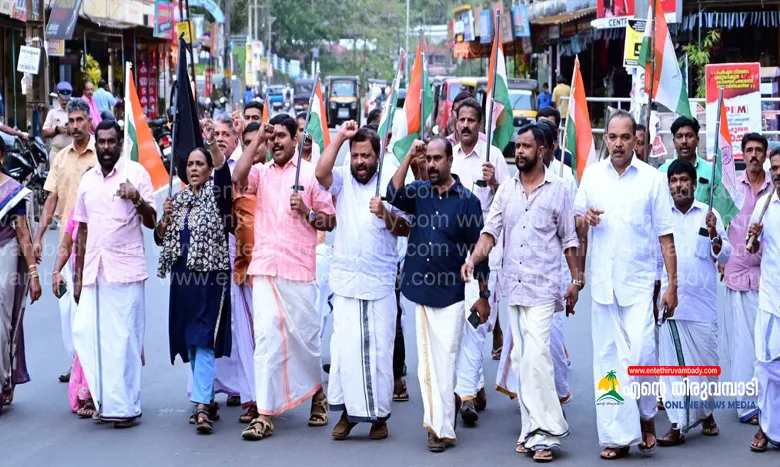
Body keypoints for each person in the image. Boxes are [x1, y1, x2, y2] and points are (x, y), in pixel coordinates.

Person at [574, 110, 678, 460]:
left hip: (639, 286)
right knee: (608, 364)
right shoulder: (592, 176)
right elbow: (576, 222)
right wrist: (585, 220)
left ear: (636, 140)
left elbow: (666, 236)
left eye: (625, 137)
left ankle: (646, 414)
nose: (618, 144)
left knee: (642, 355)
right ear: (605, 139)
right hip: (604, 288)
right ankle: (616, 436)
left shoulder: (652, 180)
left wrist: (672, 286)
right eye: (613, 137)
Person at [232, 114, 336, 441]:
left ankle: (317, 393)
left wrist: (307, 211)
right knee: (266, 341)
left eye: (281, 136)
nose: (276, 142)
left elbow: (329, 221)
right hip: (264, 268)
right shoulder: (260, 173)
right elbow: (237, 176)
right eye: (272, 136)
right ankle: (265, 414)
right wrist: (256, 141)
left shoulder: (310, 174)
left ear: (294, 139)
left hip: (298, 269)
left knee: (304, 340)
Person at [387, 136, 489, 452]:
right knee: (427, 365)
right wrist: (409, 157)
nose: (431, 164)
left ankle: (444, 416)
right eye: (428, 159)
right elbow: (391, 194)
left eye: (437, 159)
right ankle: (438, 428)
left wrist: (483, 295)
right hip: (419, 289)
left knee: (446, 361)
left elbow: (479, 250)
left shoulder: (468, 201)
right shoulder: (419, 192)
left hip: (451, 292)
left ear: (449, 161)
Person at [316, 121, 410, 440]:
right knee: (345, 352)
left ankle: (379, 417)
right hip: (346, 282)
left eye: (366, 155)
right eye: (355, 155)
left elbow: (406, 228)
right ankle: (348, 413)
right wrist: (340, 137)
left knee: (380, 353)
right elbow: (320, 174)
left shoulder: (391, 182)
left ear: (377, 156)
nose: (360, 161)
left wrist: (385, 213)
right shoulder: (343, 178)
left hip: (379, 282)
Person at [71, 120, 156, 429]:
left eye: (111, 141)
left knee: (126, 341)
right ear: (96, 144)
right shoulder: (87, 180)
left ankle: (126, 407)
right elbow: (81, 230)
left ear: (120, 143)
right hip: (95, 271)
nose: (106, 147)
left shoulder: (136, 174)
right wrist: (78, 276)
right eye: (102, 142)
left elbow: (153, 221)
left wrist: (136, 198)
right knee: (90, 335)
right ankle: (106, 400)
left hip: (127, 270)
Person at [156, 125, 232, 434]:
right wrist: (165, 218)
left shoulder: (218, 194)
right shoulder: (178, 199)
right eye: (190, 164)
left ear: (209, 169)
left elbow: (224, 170)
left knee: (204, 338)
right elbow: (160, 238)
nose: (194, 169)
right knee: (191, 340)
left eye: (200, 164)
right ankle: (207, 398)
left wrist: (212, 142)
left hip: (210, 279)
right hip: (183, 281)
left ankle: (201, 406)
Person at [656, 159, 730, 446]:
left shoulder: (708, 215)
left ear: (693, 183)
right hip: (672, 306)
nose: (678, 185)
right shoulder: (662, 217)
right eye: (674, 180)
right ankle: (677, 423)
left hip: (703, 307)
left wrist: (714, 236)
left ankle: (706, 413)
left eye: (684, 180)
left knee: (707, 368)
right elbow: (654, 258)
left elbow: (725, 255)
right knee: (674, 370)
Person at [450, 97, 510, 425]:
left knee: (476, 323)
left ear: (479, 124)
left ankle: (466, 397)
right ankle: (474, 385)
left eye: (472, 120)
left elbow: (511, 202)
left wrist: (495, 182)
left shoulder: (494, 157)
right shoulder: (448, 156)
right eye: (462, 119)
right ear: (455, 122)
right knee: (458, 325)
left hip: (486, 257)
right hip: (453, 256)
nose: (466, 125)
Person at [35, 97, 97, 383]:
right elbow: (51, 200)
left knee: (92, 307)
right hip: (67, 247)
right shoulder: (61, 159)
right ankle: (77, 362)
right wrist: (38, 237)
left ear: (89, 122)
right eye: (71, 121)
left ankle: (91, 363)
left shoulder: (101, 155)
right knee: (68, 309)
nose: (74, 126)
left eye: (79, 120)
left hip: (97, 246)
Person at [722, 133, 771, 425]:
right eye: (749, 150)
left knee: (767, 344)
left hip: (769, 278)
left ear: (765, 155)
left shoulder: (774, 190)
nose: (754, 155)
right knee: (741, 345)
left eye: (758, 150)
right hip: (738, 275)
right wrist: (719, 257)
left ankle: (769, 400)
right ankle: (747, 406)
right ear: (742, 154)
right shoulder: (731, 189)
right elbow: (718, 224)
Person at [0, 137, 42, 413]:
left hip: (5, 255)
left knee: (2, 322)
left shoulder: (12, 192)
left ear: (1, 156)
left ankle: (3, 382)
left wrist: (34, 274)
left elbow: (23, 233)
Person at [747, 148, 780, 452]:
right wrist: (754, 236)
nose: (779, 173)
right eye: (776, 168)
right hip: (772, 300)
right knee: (766, 365)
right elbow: (751, 249)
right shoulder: (764, 204)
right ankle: (766, 427)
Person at [658, 116, 738, 225]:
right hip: (670, 231)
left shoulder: (711, 172)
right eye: (679, 136)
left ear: (697, 140)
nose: (684, 141)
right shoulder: (662, 172)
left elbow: (721, 215)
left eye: (689, 136)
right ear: (674, 141)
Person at [42, 81, 74, 165]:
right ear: (58, 97)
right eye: (62, 99)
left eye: (66, 99)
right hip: (56, 153)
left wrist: (72, 131)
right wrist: (57, 130)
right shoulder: (52, 113)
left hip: (71, 153)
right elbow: (44, 133)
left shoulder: (74, 113)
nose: (64, 102)